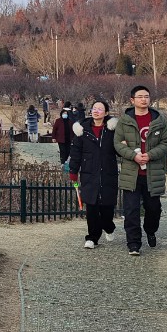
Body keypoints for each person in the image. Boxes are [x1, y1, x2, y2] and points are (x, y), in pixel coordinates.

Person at [113, 85, 167, 256]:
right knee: (131, 210)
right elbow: (117, 144)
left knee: (153, 208)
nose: (143, 99)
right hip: (131, 174)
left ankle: (150, 230)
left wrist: (150, 155)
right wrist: (134, 156)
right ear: (132, 100)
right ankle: (133, 243)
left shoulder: (159, 120)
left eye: (146, 96)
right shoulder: (124, 121)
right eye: (140, 97)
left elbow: (166, 143)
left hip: (152, 174)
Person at [69, 100, 120, 249]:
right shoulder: (82, 130)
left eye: (100, 109)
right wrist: (73, 171)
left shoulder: (112, 130)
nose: (96, 111)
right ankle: (92, 237)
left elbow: (119, 150)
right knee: (91, 207)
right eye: (94, 108)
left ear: (106, 113)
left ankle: (109, 227)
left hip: (108, 173)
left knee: (107, 208)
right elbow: (76, 153)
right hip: (89, 173)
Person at [51, 104, 77, 168]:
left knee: (68, 151)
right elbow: (54, 129)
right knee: (62, 151)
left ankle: (66, 161)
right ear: (61, 114)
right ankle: (62, 162)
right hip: (61, 139)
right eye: (64, 113)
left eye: (66, 114)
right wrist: (53, 137)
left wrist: (74, 138)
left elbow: (73, 130)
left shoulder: (70, 121)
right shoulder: (58, 121)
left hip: (68, 139)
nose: (65, 115)